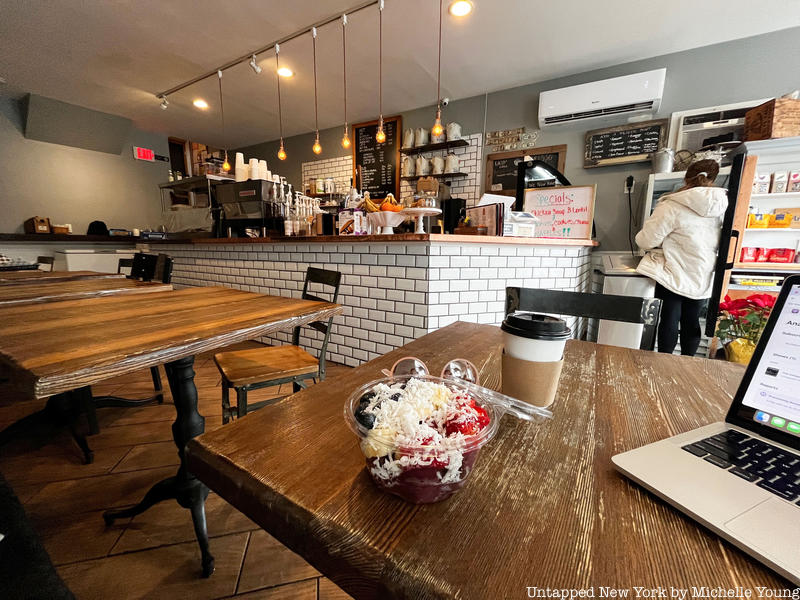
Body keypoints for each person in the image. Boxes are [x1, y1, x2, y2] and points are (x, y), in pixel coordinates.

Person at [635, 159, 728, 355]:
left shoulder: (672, 205)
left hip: (674, 271)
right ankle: (687, 363)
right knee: (692, 320)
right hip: (703, 271)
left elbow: (645, 241)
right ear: (713, 178)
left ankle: (664, 364)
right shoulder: (723, 207)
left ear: (686, 178)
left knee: (669, 318)